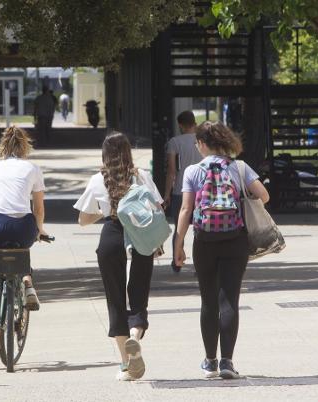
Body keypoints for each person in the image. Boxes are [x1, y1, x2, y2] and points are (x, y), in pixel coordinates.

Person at [174, 121, 269, 380]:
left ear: (203, 144)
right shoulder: (239, 167)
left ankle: (209, 362)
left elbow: (185, 210)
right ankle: (227, 362)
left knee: (208, 301)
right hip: (235, 239)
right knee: (230, 300)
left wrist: (178, 243)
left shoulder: (193, 171)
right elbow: (264, 196)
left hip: (204, 241)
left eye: (197, 142)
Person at [74, 132, 163, 381]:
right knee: (138, 293)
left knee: (115, 299)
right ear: (128, 152)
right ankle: (135, 337)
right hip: (141, 237)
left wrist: (106, 211)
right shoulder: (142, 175)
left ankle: (126, 363)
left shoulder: (97, 180)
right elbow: (157, 207)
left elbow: (82, 219)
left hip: (111, 236)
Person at [0, 126, 48, 360]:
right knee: (24, 250)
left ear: (3, 146)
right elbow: (38, 208)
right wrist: (39, 231)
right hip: (22, 226)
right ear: (24, 146)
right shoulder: (32, 168)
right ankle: (27, 280)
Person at [164, 110, 202, 272]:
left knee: (180, 228)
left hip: (181, 190)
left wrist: (167, 194)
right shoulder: (202, 141)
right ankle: (200, 264)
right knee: (200, 230)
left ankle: (176, 260)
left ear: (180, 124)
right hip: (202, 191)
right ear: (194, 122)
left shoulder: (175, 142)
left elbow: (172, 170)